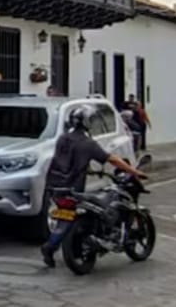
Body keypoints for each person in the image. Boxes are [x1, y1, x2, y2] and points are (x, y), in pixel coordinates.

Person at [40, 105, 147, 268]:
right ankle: (53, 246)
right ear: (87, 123)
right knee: (98, 209)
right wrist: (134, 171)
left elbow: (68, 159)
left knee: (64, 219)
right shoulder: (87, 143)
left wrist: (87, 168)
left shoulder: (63, 138)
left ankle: (54, 246)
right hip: (73, 187)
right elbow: (112, 159)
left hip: (55, 186)